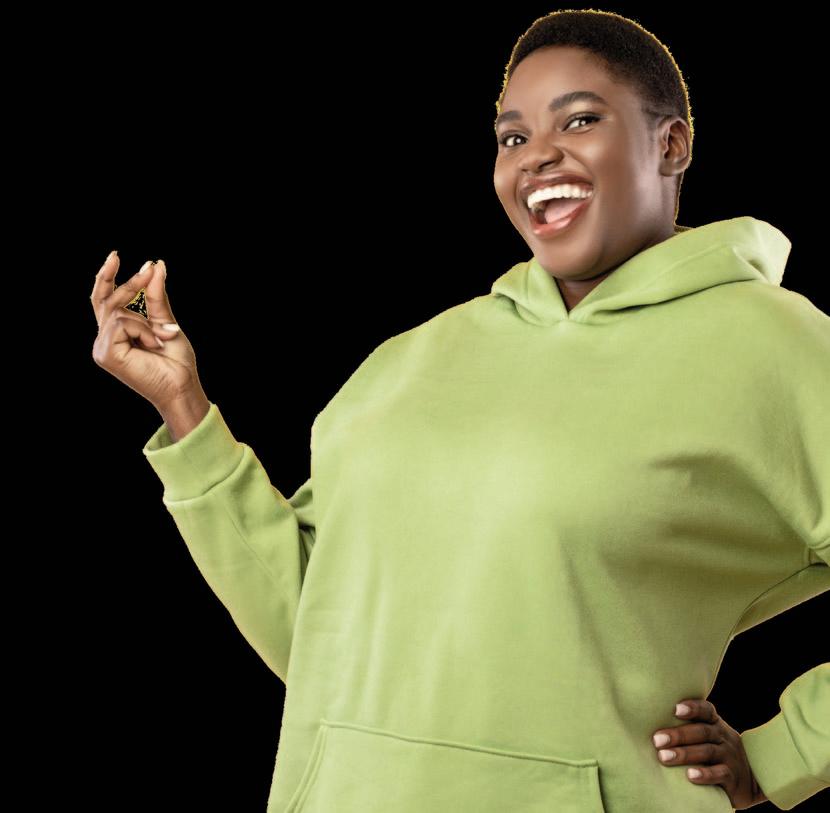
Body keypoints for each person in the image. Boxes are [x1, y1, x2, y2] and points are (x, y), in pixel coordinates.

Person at [91, 9, 829, 812]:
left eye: (580, 119)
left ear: (672, 144)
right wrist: (185, 409)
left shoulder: (775, 347)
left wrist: (782, 753)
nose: (537, 154)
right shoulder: (411, 361)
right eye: (512, 136)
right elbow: (319, 632)